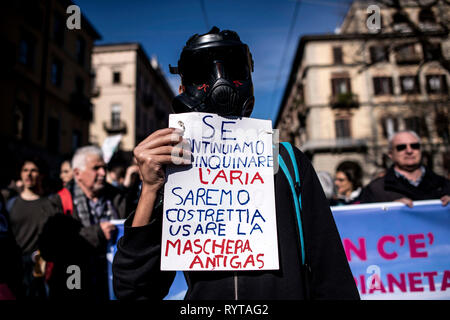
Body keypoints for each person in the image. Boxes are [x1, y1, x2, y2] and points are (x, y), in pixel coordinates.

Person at [112, 27, 359, 300]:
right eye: (201, 72)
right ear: (182, 87)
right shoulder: (174, 168)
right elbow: (133, 288)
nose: (221, 82)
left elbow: (331, 272)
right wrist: (150, 189)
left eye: (233, 69)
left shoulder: (287, 161)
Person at [39, 146, 133, 299]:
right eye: (96, 168)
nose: (103, 173)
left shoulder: (118, 197)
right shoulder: (58, 202)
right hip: (73, 281)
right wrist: (97, 233)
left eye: (104, 167)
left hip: (111, 283)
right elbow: (49, 247)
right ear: (77, 173)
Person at [7, 156, 61, 298]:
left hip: (40, 270)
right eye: (25, 170)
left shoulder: (50, 204)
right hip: (14, 268)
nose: (28, 174)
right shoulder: (11, 204)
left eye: (33, 170)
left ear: (41, 175)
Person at [360, 130, 450, 207]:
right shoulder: (375, 189)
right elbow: (367, 221)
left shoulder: (444, 184)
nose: (409, 151)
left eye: (414, 146)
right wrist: (390, 209)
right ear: (390, 154)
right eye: (401, 147)